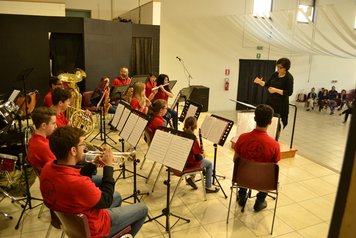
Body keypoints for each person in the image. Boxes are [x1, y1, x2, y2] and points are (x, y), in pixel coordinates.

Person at [40, 126, 148, 237]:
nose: (85, 147)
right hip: (96, 229)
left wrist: (93, 164)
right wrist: (108, 167)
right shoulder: (79, 183)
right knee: (142, 208)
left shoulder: (48, 168)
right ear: (73, 151)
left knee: (118, 196)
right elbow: (106, 200)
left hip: (73, 219)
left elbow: (75, 175)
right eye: (82, 144)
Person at [233, 104, 280, 212]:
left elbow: (235, 160)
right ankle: (260, 201)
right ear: (270, 122)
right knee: (270, 175)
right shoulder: (274, 145)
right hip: (263, 182)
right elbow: (273, 170)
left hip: (242, 178)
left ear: (254, 119)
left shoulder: (242, 138)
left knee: (243, 169)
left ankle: (242, 196)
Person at [254, 58, 294, 130]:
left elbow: (289, 92)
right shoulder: (275, 74)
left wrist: (275, 90)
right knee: (267, 120)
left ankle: (275, 137)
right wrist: (260, 82)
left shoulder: (289, 78)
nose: (278, 69)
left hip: (280, 104)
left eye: (280, 67)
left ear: (286, 68)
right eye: (277, 66)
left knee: (276, 123)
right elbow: (267, 84)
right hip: (271, 101)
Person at [183, 116, 219, 193]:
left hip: (182, 160)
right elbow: (197, 158)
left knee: (199, 159)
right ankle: (208, 187)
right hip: (189, 163)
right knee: (209, 164)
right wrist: (202, 155)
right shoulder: (193, 138)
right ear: (195, 127)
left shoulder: (181, 134)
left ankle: (191, 179)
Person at [27, 107, 57, 172]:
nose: (56, 126)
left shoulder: (33, 139)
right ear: (43, 125)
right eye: (53, 123)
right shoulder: (43, 146)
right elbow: (58, 167)